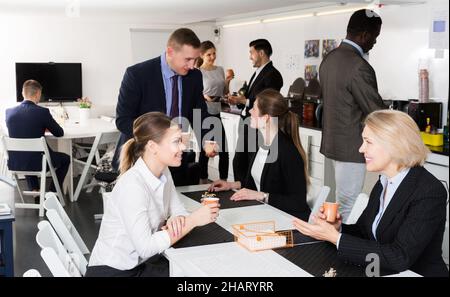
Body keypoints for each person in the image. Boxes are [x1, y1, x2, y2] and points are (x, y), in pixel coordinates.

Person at [294, 110, 448, 277]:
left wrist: (335, 238)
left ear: (394, 144)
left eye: (368, 142)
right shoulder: (384, 182)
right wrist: (338, 229)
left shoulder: (428, 191)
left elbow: (400, 257)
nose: (361, 149)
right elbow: (365, 232)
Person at [86, 112, 219, 277]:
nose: (184, 147)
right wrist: (192, 221)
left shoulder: (164, 170)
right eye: (176, 141)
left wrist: (176, 219)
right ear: (152, 147)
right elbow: (146, 247)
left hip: (140, 263)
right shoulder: (133, 186)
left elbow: (178, 209)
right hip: (114, 271)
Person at [114, 28, 210, 185]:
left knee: (178, 207)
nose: (192, 65)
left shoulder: (194, 76)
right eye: (187, 59)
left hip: (177, 159)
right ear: (170, 51)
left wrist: (208, 140)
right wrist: (158, 141)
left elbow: (199, 114)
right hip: (142, 160)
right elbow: (123, 120)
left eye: (195, 59)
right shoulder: (137, 75)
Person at [319, 9, 386, 222]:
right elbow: (375, 112)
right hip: (352, 147)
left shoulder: (328, 59)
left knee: (335, 202)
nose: (375, 42)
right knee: (349, 204)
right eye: (375, 37)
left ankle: (335, 245)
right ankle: (344, 250)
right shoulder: (360, 66)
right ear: (364, 35)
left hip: (332, 143)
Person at [209, 89, 310, 221]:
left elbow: (298, 203)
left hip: (286, 222)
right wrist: (231, 185)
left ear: (266, 118)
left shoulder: (287, 152)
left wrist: (261, 196)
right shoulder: (260, 144)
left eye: (254, 109)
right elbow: (257, 183)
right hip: (266, 214)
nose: (249, 111)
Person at [228, 39, 283, 183]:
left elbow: (267, 102)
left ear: (261, 53)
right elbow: (250, 97)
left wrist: (244, 101)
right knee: (240, 162)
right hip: (246, 122)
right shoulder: (257, 72)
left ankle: (247, 194)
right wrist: (239, 100)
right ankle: (240, 191)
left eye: (251, 53)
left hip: (258, 126)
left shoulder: (273, 75)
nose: (249, 57)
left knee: (251, 163)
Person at [5, 80, 70, 197]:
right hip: (38, 163)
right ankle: (52, 193)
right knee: (66, 159)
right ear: (37, 94)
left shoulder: (9, 112)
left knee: (27, 153)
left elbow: (22, 130)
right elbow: (59, 133)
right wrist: (45, 126)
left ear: (23, 93)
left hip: (16, 162)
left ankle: (35, 190)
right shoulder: (42, 112)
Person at [196, 40, 231, 183]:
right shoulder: (198, 72)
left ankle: (223, 181)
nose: (212, 57)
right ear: (202, 55)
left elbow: (225, 92)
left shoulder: (220, 69)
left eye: (214, 53)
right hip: (203, 113)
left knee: (224, 150)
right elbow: (195, 93)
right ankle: (203, 181)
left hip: (216, 111)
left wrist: (228, 80)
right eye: (209, 54)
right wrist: (203, 95)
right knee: (206, 150)